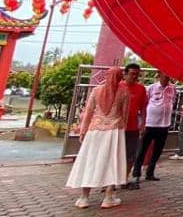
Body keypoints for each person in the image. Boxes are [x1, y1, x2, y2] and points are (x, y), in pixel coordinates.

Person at [65, 67, 129, 209]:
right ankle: (108, 197)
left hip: (94, 131)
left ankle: (84, 197)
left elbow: (88, 112)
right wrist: (120, 126)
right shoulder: (124, 93)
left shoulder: (96, 91)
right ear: (120, 77)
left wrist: (83, 130)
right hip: (114, 131)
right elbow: (124, 116)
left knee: (90, 161)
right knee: (112, 161)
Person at [132, 73, 175, 183]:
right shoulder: (151, 88)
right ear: (159, 75)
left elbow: (172, 102)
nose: (167, 77)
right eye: (164, 74)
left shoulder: (172, 88)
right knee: (142, 150)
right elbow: (144, 105)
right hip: (150, 124)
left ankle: (150, 172)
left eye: (168, 75)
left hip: (164, 125)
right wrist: (142, 123)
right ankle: (136, 174)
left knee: (157, 151)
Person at [121, 63, 148, 190]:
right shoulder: (118, 87)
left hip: (133, 127)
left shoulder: (141, 89)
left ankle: (123, 179)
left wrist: (143, 123)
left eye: (137, 74)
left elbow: (143, 107)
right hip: (118, 127)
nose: (134, 76)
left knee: (131, 155)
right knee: (115, 155)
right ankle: (108, 182)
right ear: (125, 74)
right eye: (132, 74)